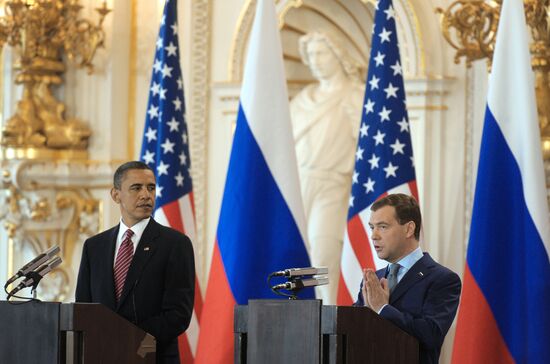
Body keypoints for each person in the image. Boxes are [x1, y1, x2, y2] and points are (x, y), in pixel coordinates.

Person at [76, 161, 195, 364]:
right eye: (136, 188)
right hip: (102, 356)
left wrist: (128, 338)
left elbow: (178, 314)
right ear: (116, 195)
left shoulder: (175, 244)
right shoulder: (94, 247)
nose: (145, 195)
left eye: (151, 188)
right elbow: (83, 307)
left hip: (151, 356)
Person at [290, 31, 364, 303]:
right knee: (298, 254)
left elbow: (365, 147)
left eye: (321, 53)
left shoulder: (354, 96)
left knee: (324, 250)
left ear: (337, 53)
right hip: (300, 184)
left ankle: (329, 312)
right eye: (310, 55)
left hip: (333, 184)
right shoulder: (302, 100)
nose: (315, 60)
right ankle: (307, 312)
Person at [355, 194, 461, 364]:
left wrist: (382, 308)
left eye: (382, 227)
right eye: (371, 227)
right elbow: (352, 329)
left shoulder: (442, 279)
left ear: (409, 229)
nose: (374, 235)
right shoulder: (374, 279)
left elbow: (430, 334)